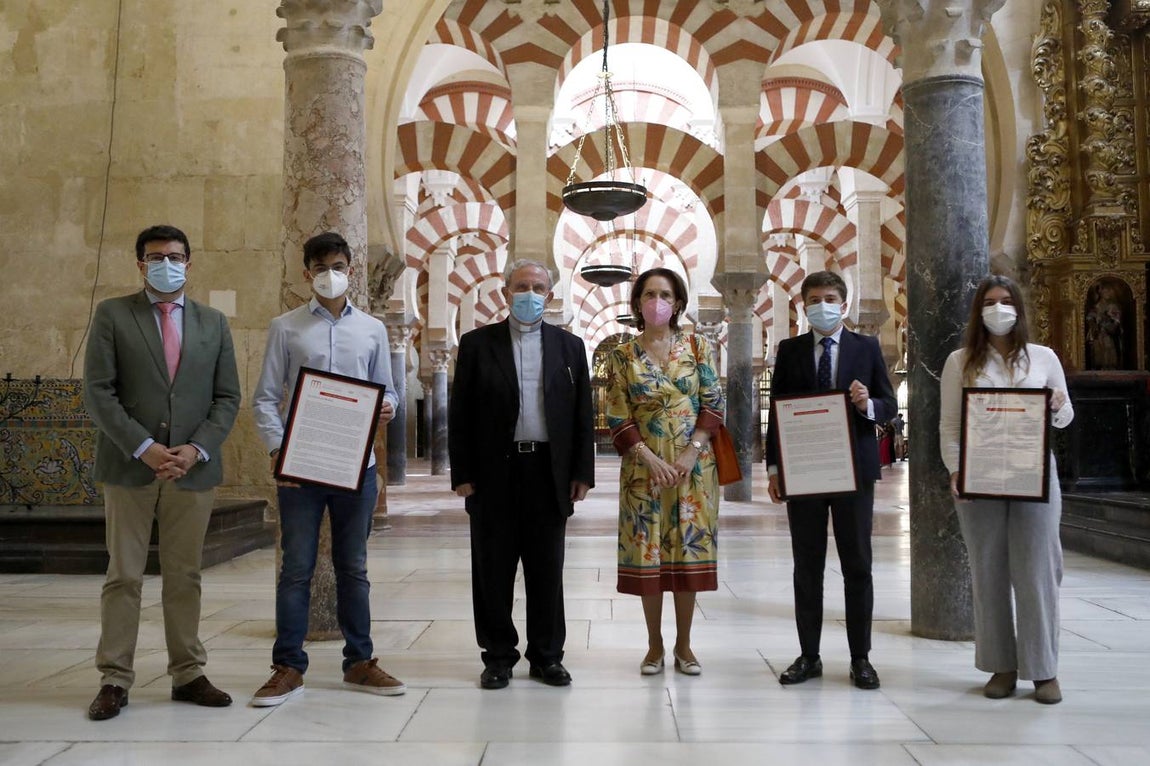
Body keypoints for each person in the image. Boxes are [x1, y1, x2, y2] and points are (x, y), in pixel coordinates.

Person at [83, 224, 241, 720]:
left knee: (185, 575)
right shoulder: (113, 314)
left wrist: (196, 449)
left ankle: (188, 672)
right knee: (123, 575)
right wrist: (145, 447)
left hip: (191, 470)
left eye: (174, 256)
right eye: (155, 257)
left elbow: (227, 397)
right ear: (140, 264)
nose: (165, 264)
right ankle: (114, 677)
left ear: (189, 263)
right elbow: (98, 392)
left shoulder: (213, 323)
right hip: (129, 467)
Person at [250, 232, 403, 706]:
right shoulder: (286, 327)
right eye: (320, 268)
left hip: (357, 466)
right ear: (306, 274)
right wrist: (280, 452)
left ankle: (359, 661)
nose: (329, 275)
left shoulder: (372, 329)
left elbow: (390, 391)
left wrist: (388, 408)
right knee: (296, 567)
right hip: (303, 467)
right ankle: (288, 667)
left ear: (350, 269)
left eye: (337, 265)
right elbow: (265, 398)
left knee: (353, 567)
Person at [448, 259, 595, 690]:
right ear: (505, 293)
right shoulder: (477, 344)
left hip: (548, 470)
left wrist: (581, 472)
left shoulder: (570, 348)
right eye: (521, 286)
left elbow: (582, 414)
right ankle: (497, 656)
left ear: (549, 297)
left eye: (537, 287)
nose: (529, 294)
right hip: (495, 470)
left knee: (547, 568)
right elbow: (460, 415)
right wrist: (463, 473)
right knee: (492, 568)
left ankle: (547, 655)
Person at [939, 274, 1073, 705]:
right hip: (980, 475)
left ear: (1019, 308)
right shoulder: (961, 362)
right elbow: (949, 424)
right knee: (989, 569)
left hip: (1033, 475)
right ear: (979, 311)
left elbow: (1065, 414)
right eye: (990, 302)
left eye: (1006, 301)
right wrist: (956, 469)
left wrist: (1056, 404)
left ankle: (1044, 669)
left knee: (1038, 569)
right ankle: (1002, 666)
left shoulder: (1044, 358)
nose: (999, 309)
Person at [765, 270, 897, 690]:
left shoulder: (866, 347)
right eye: (815, 299)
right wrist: (774, 469)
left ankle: (861, 658)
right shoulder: (790, 350)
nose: (823, 305)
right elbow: (777, 412)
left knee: (857, 563)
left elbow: (889, 405)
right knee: (807, 566)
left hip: (852, 471)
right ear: (805, 307)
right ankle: (809, 655)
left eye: (831, 298)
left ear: (844, 305)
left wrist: (868, 404)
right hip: (804, 471)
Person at [605, 268, 724, 676]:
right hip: (643, 472)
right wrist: (649, 459)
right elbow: (617, 415)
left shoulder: (698, 346)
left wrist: (691, 452)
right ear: (638, 303)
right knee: (649, 554)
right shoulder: (620, 356)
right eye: (650, 294)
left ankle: (685, 645)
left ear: (678, 303)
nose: (658, 301)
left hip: (694, 468)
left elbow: (713, 404)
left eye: (666, 294)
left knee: (688, 552)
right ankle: (654, 645)